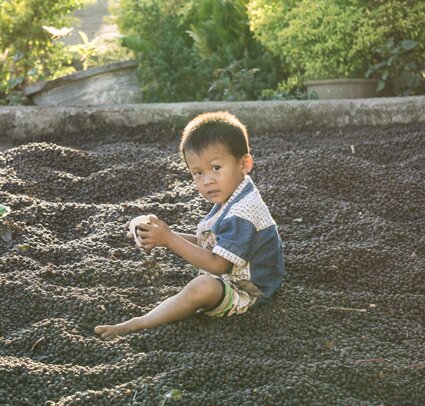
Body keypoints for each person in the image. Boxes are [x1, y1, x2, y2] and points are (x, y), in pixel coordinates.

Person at [95, 111, 285, 339]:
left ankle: (138, 323)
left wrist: (171, 240)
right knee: (202, 283)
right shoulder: (234, 194)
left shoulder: (243, 212)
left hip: (250, 291)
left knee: (202, 286)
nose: (207, 180)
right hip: (236, 276)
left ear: (244, 163)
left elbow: (217, 265)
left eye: (216, 168)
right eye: (197, 173)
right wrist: (164, 236)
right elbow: (212, 244)